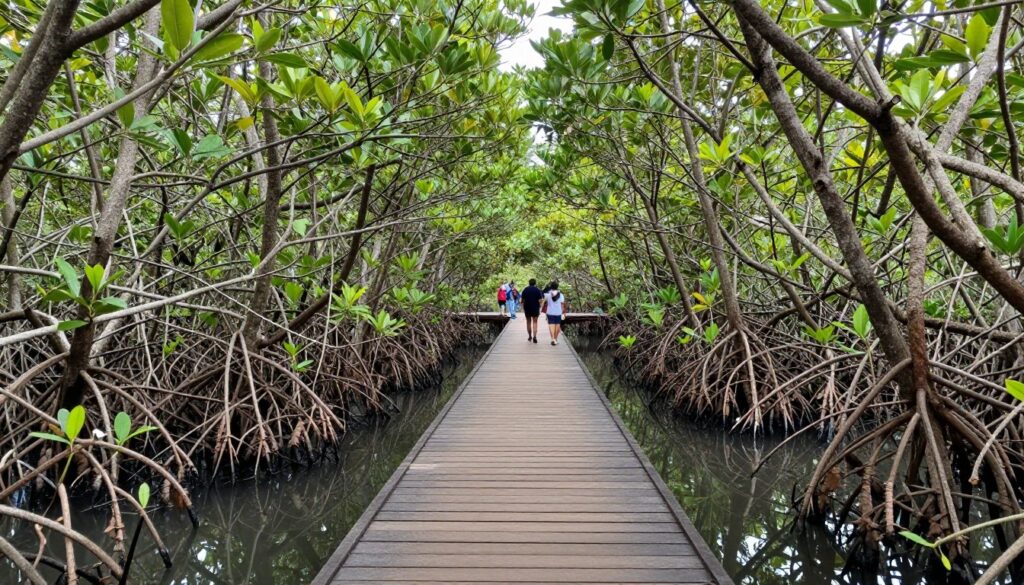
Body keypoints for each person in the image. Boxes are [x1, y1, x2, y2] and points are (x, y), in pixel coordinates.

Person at [542, 280, 567, 346]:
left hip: (550, 312)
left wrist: (540, 309)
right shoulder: (561, 295)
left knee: (551, 325)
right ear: (557, 287)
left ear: (551, 287)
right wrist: (563, 312)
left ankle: (552, 339)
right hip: (558, 312)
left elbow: (543, 302)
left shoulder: (547, 295)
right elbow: (562, 304)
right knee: (557, 325)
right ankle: (555, 339)